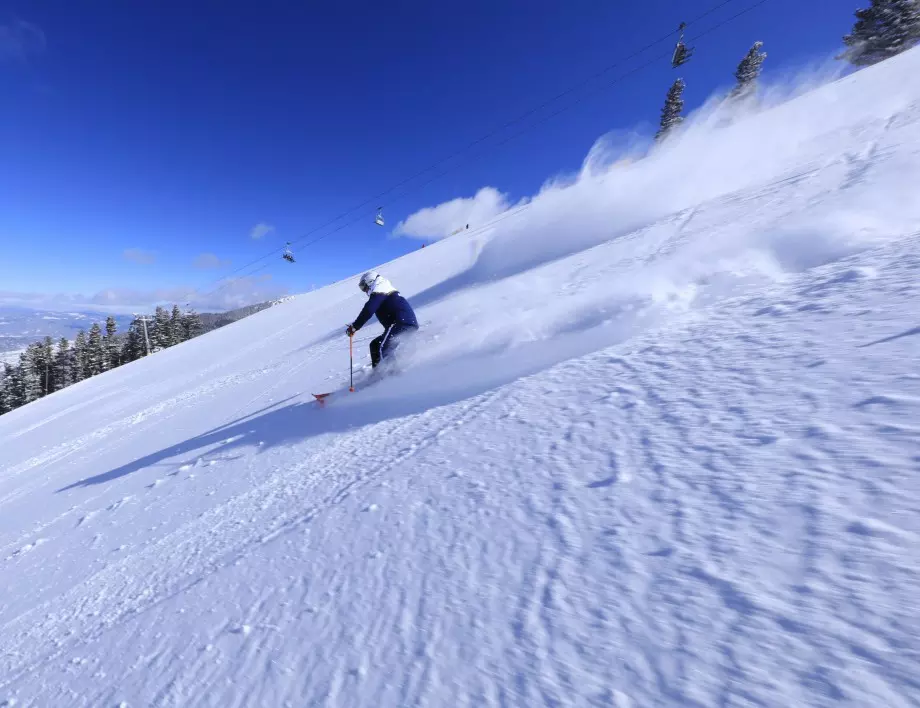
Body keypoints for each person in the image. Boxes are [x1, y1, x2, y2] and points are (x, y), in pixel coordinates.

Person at [346, 271, 419, 368]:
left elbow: (369, 309)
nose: (364, 290)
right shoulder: (383, 289)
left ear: (370, 282)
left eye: (364, 286)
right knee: (375, 345)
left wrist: (355, 327)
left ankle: (389, 377)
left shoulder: (380, 290)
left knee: (384, 348)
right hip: (403, 323)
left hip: (399, 323)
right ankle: (377, 373)